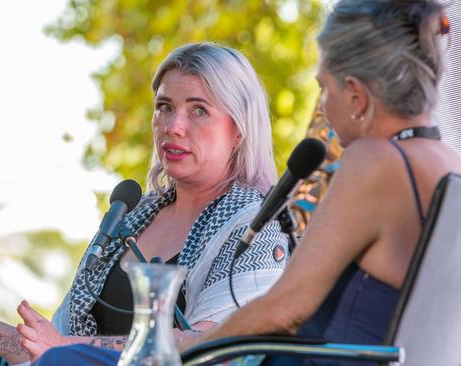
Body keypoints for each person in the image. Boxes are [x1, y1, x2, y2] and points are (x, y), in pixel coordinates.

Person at [0, 42, 289, 366]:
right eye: (165, 107)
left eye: (199, 110)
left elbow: (216, 346)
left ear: (238, 130)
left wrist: (69, 349)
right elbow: (48, 346)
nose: (173, 126)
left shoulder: (255, 223)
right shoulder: (131, 217)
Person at [180, 1, 461, 365]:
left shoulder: (376, 161)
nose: (324, 107)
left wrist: (184, 348)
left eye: (325, 89)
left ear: (357, 96)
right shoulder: (449, 164)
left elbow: (283, 310)